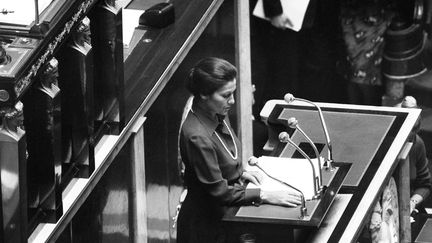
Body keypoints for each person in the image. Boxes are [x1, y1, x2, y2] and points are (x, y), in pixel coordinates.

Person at [176, 57, 302, 243]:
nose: (232, 101)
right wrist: (264, 195)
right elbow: (218, 191)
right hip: (205, 228)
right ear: (204, 94)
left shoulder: (217, 111)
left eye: (233, 93)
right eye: (226, 95)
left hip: (224, 216)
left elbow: (227, 156)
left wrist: (241, 173)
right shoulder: (197, 136)